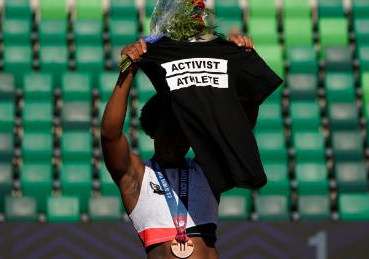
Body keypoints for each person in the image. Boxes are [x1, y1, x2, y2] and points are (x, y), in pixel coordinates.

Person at [101, 35, 254, 259]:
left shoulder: (207, 171)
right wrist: (129, 71)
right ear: (153, 131)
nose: (176, 142)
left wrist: (243, 64)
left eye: (184, 136)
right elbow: (109, 135)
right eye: (169, 133)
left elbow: (242, 128)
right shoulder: (137, 177)